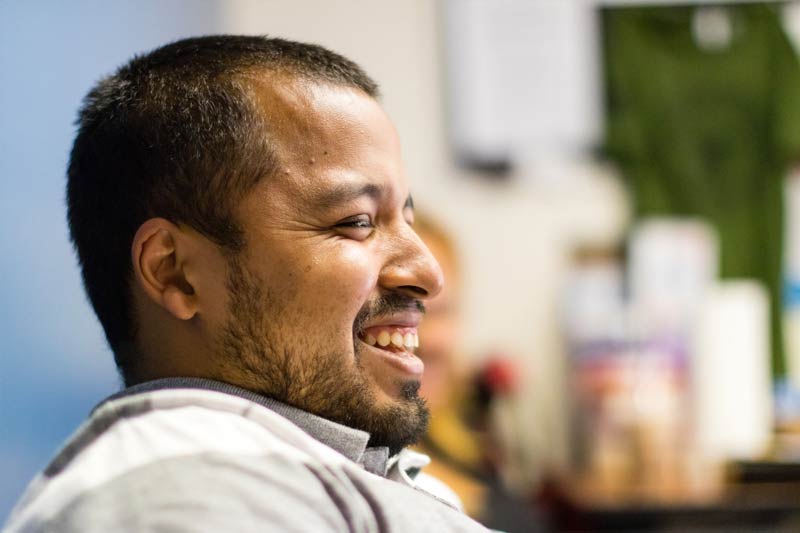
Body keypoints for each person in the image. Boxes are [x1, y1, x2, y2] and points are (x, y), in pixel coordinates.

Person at [4, 35, 490, 532]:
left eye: (404, 218)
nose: (428, 274)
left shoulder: (296, 473)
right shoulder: (180, 494)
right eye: (358, 221)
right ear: (175, 272)